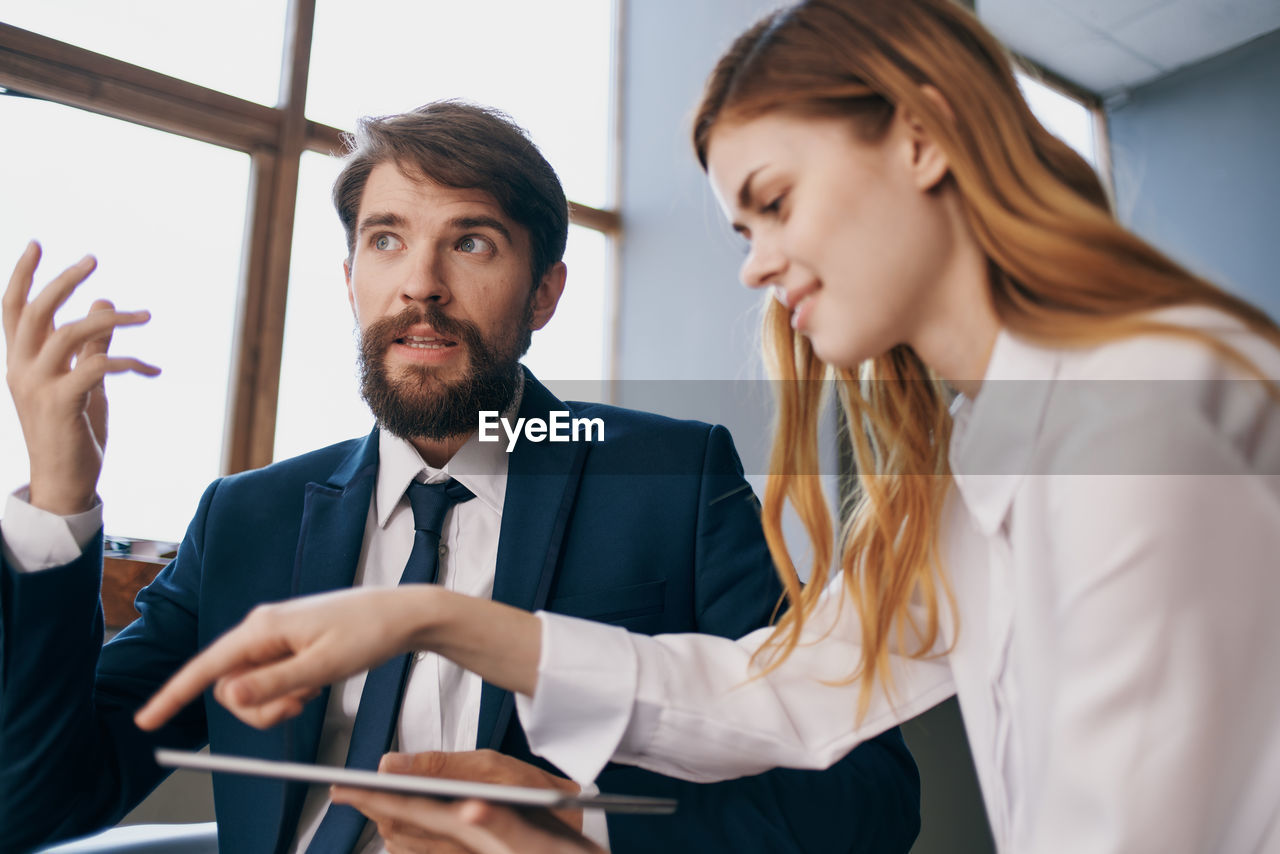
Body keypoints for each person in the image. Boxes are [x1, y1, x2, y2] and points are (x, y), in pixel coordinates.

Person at [136, 0, 1280, 852]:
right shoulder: (987, 449)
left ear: (924, 137)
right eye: (740, 224)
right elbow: (779, 691)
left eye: (773, 202)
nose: (754, 265)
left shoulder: (1136, 415)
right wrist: (435, 617)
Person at [0, 101, 922, 854]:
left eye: (471, 242)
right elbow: (34, 804)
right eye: (387, 240)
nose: (422, 285)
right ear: (351, 277)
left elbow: (865, 803)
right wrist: (58, 501)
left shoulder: (668, 478)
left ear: (545, 293)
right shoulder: (249, 517)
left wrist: (578, 831)